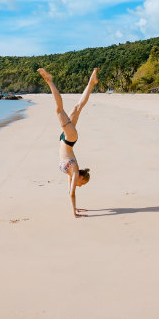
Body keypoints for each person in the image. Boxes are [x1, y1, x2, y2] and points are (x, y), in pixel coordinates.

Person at [37, 67, 98, 218]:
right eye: (82, 183)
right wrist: (74, 213)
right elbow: (72, 194)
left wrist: (76, 209)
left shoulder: (72, 175)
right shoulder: (75, 173)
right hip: (69, 138)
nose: (79, 185)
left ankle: (91, 82)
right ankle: (50, 81)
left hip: (66, 139)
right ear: (82, 178)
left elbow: (69, 192)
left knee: (77, 107)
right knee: (59, 110)